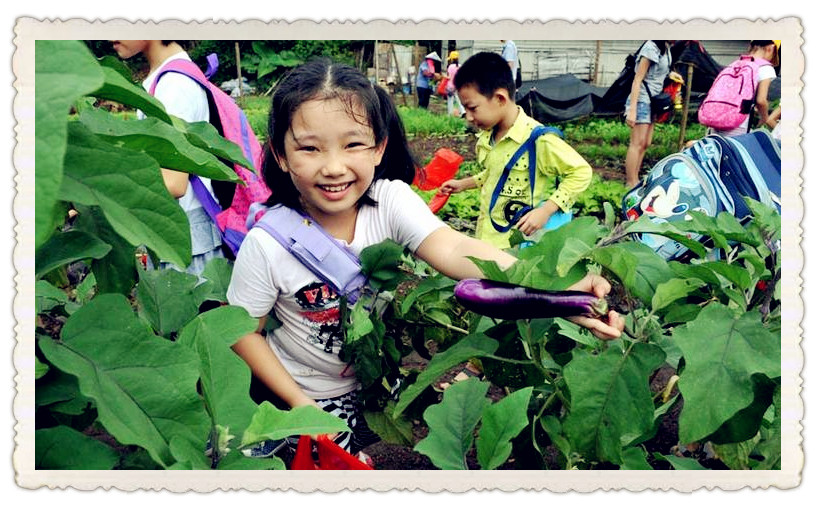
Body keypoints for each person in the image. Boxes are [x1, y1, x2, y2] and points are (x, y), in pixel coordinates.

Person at [226, 58, 624, 460]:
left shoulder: (389, 202)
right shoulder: (269, 243)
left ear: (379, 147)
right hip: (302, 395)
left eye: (353, 144)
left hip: (370, 387)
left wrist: (560, 293)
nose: (333, 167)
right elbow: (244, 332)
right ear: (279, 154)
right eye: (310, 148)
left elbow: (454, 248)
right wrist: (301, 405)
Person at [439, 52, 593, 250]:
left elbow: (581, 171)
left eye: (472, 108)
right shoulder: (489, 135)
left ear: (500, 98)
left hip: (518, 245)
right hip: (488, 237)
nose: (467, 117)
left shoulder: (538, 139)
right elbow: (496, 172)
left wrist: (546, 211)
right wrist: (464, 184)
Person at [110, 40, 223, 276]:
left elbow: (173, 182)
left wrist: (105, 189)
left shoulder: (173, 85)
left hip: (185, 243)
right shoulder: (168, 76)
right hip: (185, 234)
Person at [624, 40, 673, 188]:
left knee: (645, 143)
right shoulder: (650, 48)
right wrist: (632, 110)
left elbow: (659, 72)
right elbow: (637, 79)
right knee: (637, 143)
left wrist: (672, 75)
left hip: (654, 101)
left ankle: (636, 179)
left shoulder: (665, 48)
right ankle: (630, 183)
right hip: (642, 100)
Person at [708, 40, 780, 138]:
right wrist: (764, 118)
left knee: (718, 149)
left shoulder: (736, 63)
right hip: (738, 123)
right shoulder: (765, 68)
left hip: (717, 117)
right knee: (734, 151)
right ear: (770, 48)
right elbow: (761, 100)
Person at [445, 50, 466, 117]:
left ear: (451, 59)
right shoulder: (460, 66)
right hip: (458, 86)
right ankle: (463, 111)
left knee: (450, 101)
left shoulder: (450, 67)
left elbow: (449, 77)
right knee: (459, 99)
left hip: (450, 86)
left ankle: (450, 114)